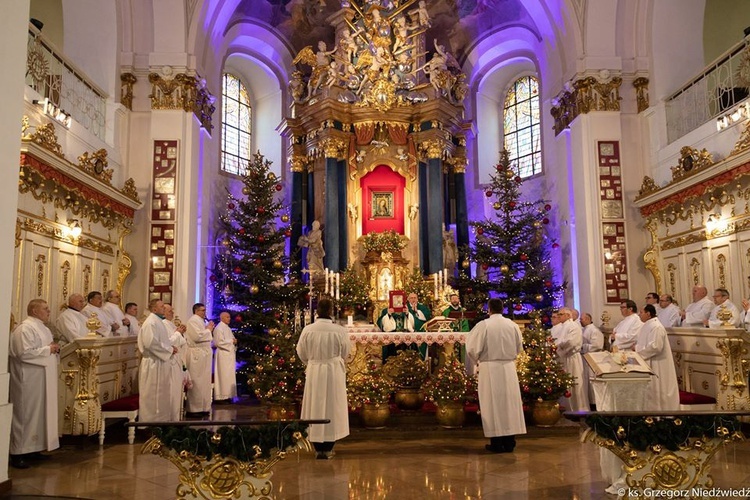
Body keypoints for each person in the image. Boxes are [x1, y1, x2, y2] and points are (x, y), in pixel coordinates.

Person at [466, 298, 526, 453]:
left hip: (489, 367)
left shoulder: (483, 325)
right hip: (508, 368)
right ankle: (510, 441)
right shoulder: (512, 325)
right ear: (503, 308)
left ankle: (497, 443)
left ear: (489, 309)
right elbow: (519, 347)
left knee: (493, 404)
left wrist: (477, 360)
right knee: (509, 404)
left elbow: (472, 348)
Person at [296, 298, 351, 459]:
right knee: (332, 405)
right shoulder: (339, 331)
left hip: (315, 370)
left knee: (316, 404)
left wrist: (312, 363)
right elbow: (346, 352)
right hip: (333, 371)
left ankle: (317, 446)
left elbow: (301, 352)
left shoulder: (308, 330)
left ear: (317, 312)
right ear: (331, 311)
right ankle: (328, 446)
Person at [9, 299, 60, 469]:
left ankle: (34, 448)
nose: (49, 311)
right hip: (28, 379)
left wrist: (52, 348)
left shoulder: (43, 328)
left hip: (41, 378)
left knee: (39, 414)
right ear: (35, 311)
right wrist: (49, 350)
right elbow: (23, 353)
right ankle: (18, 453)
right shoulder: (25, 328)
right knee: (26, 413)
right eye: (45, 309)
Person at [137, 299, 176, 422]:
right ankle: (148, 423)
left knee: (161, 395)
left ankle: (161, 421)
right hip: (153, 363)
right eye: (162, 307)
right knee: (151, 395)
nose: (164, 309)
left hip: (160, 361)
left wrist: (170, 347)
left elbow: (162, 341)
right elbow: (150, 344)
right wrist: (169, 350)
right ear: (154, 309)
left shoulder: (158, 321)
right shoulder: (150, 322)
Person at [636, 305, 680, 411]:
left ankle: (660, 414)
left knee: (658, 388)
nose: (639, 315)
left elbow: (656, 346)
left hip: (657, 363)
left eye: (641, 312)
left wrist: (637, 349)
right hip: (649, 361)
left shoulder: (656, 326)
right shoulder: (647, 325)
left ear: (648, 313)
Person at [554, 308, 588, 411]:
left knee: (574, 382)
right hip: (565, 357)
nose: (558, 316)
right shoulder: (563, 326)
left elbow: (571, 342)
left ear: (568, 316)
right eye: (558, 314)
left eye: (561, 314)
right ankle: (567, 407)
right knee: (565, 384)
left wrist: (558, 349)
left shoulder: (573, 326)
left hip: (572, 357)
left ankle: (578, 408)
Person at [185, 302, 215, 417]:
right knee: (197, 381)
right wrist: (208, 330)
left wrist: (208, 329)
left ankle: (203, 407)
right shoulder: (193, 321)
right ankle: (194, 409)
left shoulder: (200, 321)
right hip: (197, 354)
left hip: (203, 354)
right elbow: (197, 337)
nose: (204, 312)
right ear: (196, 311)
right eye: (202, 310)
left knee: (204, 382)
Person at [163, 303, 188, 421]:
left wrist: (180, 332)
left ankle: (176, 418)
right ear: (163, 312)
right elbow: (169, 342)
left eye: (172, 310)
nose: (172, 312)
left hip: (177, 359)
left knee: (177, 390)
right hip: (170, 361)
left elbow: (181, 342)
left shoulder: (170, 324)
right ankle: (171, 418)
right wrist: (178, 333)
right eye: (169, 311)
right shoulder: (163, 324)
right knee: (172, 391)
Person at [580, 312, 604, 407]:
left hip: (593, 359)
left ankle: (594, 405)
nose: (580, 320)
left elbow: (597, 345)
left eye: (581, 319)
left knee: (592, 383)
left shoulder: (594, 330)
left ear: (588, 319)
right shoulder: (584, 330)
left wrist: (582, 347)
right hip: (585, 359)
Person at [213, 311, 237, 403]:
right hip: (223, 355)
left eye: (229, 317)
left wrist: (233, 341)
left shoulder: (227, 328)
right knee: (222, 375)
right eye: (227, 317)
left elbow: (231, 340)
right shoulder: (219, 328)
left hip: (228, 356)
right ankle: (221, 397)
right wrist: (231, 341)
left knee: (228, 375)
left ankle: (228, 395)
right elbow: (218, 342)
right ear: (222, 318)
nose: (229, 318)